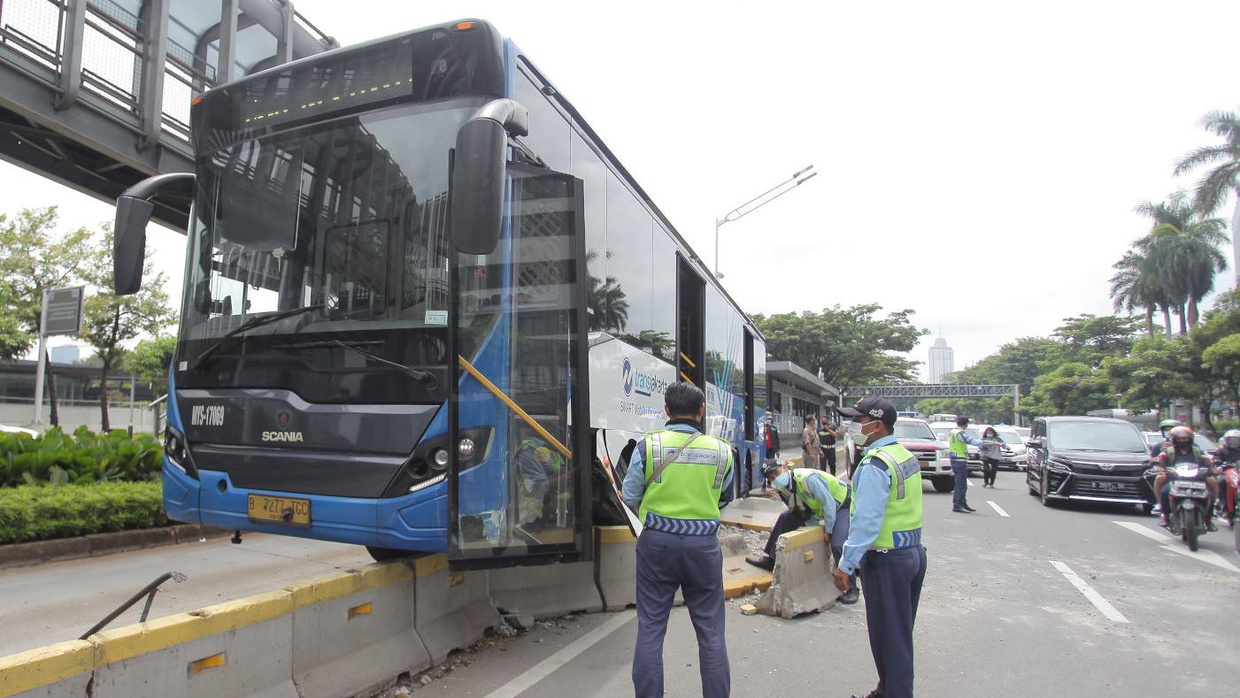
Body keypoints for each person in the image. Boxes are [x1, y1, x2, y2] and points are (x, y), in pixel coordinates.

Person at [621, 381, 733, 698]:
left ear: (667, 411)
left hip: (657, 544)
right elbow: (725, 499)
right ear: (700, 411)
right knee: (711, 632)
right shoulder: (723, 451)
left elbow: (630, 495)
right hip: (703, 546)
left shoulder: (649, 446)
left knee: (651, 629)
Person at [832, 395, 927, 698]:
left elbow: (866, 522)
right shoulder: (902, 455)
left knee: (890, 640)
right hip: (911, 552)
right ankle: (887, 690)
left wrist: (846, 563)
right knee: (897, 634)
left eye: (858, 421)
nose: (853, 426)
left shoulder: (875, 464)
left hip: (887, 559)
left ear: (877, 425)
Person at [744, 461, 859, 603]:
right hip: (821, 510)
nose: (775, 478)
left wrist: (828, 531)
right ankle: (771, 559)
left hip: (842, 503)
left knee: (837, 543)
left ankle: (851, 588)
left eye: (776, 473)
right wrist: (812, 533)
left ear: (784, 468)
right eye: (771, 478)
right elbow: (798, 512)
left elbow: (828, 504)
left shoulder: (808, 479)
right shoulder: (783, 489)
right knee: (785, 518)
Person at [1153, 425, 1218, 532]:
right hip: (1175, 479)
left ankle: (1209, 520)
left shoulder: (1197, 451)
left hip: (1196, 480)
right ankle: (1165, 516)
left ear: (1190, 439)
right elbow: (1160, 459)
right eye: (1180, 439)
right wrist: (1160, 467)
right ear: (1174, 439)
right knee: (1165, 492)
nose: (1183, 441)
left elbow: (1207, 461)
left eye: (1185, 438)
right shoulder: (1169, 451)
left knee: (1209, 495)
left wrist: (1212, 468)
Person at [514, 432, 565, 524]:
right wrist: (569, 476)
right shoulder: (529, 450)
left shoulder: (557, 448)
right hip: (533, 518)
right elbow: (540, 487)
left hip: (559, 514)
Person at [948, 416, 984, 512]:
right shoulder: (959, 433)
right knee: (960, 484)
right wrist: (983, 443)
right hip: (959, 461)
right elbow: (970, 441)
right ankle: (957, 505)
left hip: (955, 459)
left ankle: (962, 503)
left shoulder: (953, 431)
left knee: (962, 484)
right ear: (966, 424)